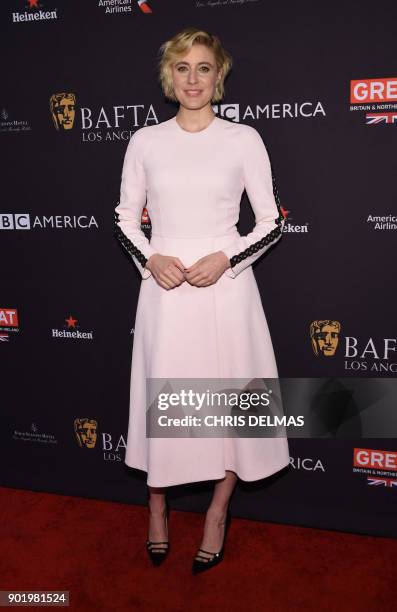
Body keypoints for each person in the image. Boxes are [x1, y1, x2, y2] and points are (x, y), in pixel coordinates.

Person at [114, 27, 290, 574]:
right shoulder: (145, 141)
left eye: (204, 68)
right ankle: (157, 508)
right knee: (163, 404)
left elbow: (269, 223)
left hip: (226, 290)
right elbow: (125, 218)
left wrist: (228, 258)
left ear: (220, 76)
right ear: (170, 76)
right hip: (165, 292)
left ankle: (217, 512)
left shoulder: (244, 139)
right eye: (183, 68)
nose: (194, 78)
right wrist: (151, 259)